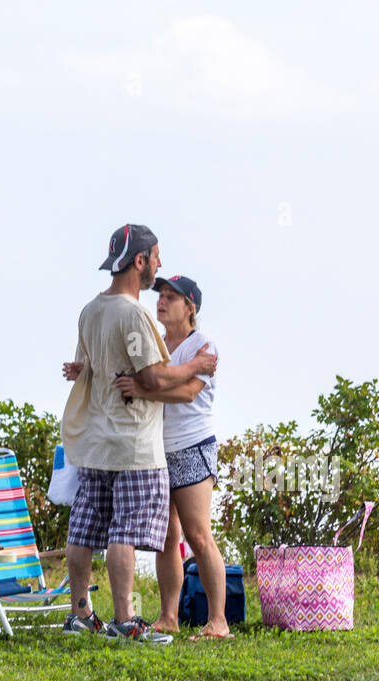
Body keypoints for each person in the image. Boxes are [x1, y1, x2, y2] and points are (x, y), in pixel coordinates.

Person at [59, 224, 217, 644]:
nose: (160, 265)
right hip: (130, 444)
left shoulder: (89, 310)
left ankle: (80, 614)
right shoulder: (133, 314)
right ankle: (126, 618)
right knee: (124, 532)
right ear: (140, 261)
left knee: (83, 529)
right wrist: (195, 368)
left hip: (93, 442)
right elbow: (154, 374)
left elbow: (86, 366)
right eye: (156, 257)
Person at [113, 275, 230, 639]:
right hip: (160, 450)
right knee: (167, 537)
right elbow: (155, 381)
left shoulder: (204, 345)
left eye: (170, 297)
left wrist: (144, 389)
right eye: (159, 295)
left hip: (193, 447)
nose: (160, 301)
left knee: (198, 535)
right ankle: (168, 616)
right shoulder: (159, 346)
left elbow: (188, 393)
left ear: (190, 307)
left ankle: (219, 621)